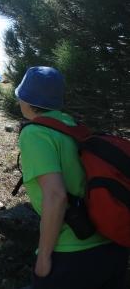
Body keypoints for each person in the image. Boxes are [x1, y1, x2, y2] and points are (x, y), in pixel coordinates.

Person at [16, 66, 128, 289]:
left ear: (27, 101)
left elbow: (56, 196)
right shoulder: (73, 127)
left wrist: (44, 257)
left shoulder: (35, 133)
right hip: (111, 245)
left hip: (72, 255)